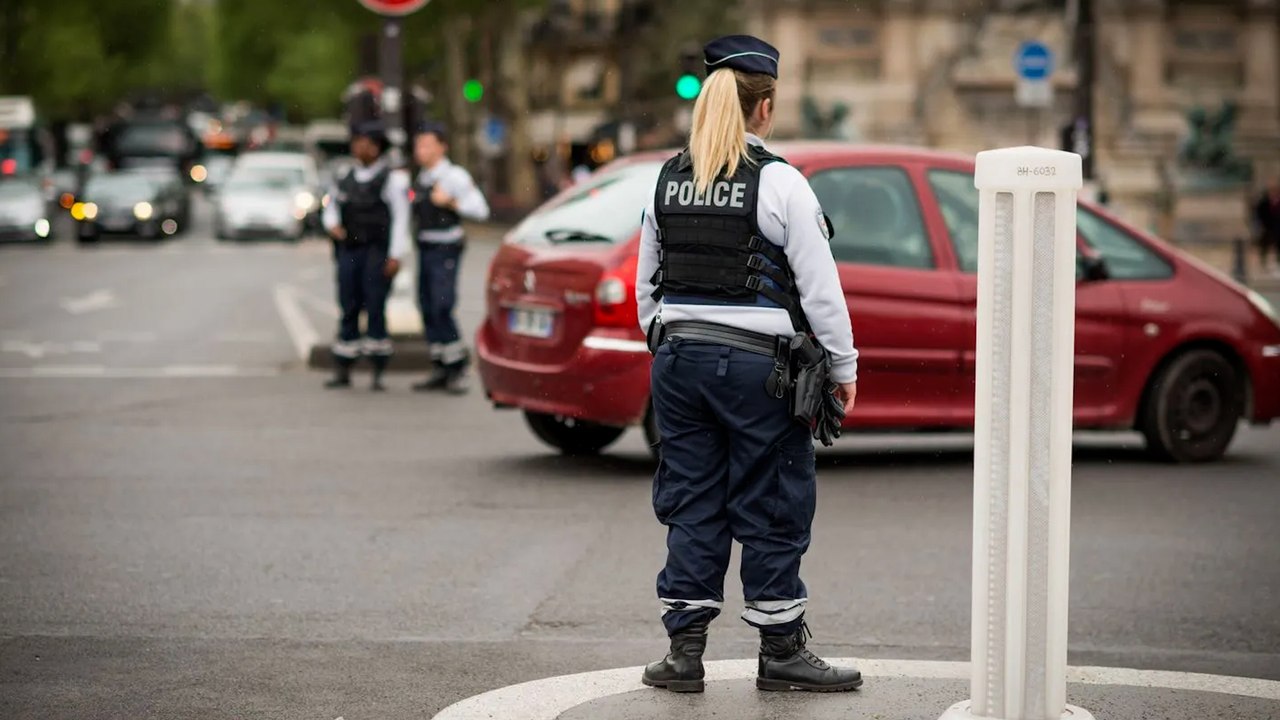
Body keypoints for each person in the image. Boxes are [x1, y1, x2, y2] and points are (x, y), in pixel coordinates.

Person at [635, 35, 861, 694]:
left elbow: (648, 284)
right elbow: (822, 290)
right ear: (763, 109)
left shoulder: (668, 179)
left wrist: (668, 336)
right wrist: (844, 368)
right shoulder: (781, 183)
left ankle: (683, 654)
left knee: (692, 501)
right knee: (771, 500)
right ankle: (782, 651)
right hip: (760, 371)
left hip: (677, 364)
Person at [321, 120, 411, 391]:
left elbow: (400, 218)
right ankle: (343, 366)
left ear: (377, 147)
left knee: (375, 306)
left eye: (365, 142)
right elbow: (332, 206)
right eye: (356, 141)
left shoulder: (392, 180)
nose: (359, 147)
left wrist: (395, 255)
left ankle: (377, 369)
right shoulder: (344, 176)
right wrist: (332, 224)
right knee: (348, 304)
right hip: (350, 248)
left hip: (376, 250)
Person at [409, 122, 490, 394]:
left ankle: (458, 368)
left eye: (427, 145)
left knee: (443, 305)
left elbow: (481, 209)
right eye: (419, 145)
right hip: (425, 245)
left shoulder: (454, 176)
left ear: (442, 147)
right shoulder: (421, 177)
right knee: (427, 305)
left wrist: (450, 202)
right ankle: (440, 366)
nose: (422, 150)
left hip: (446, 247)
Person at [1254, 175, 1280, 276]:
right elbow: (1259, 214)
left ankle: (1277, 262)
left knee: (1278, 246)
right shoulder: (1263, 201)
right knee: (1264, 245)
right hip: (1266, 227)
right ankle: (1263, 263)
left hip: (1277, 227)